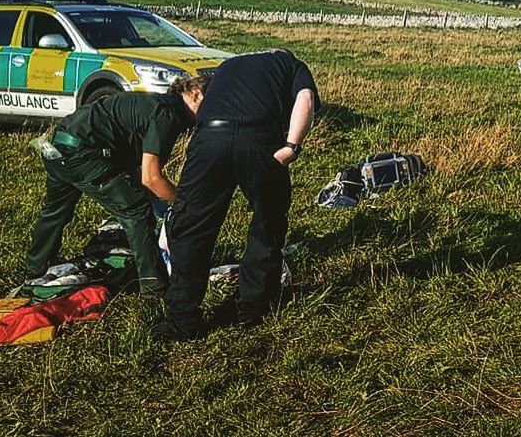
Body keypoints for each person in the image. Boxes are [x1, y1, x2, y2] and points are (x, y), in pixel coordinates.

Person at [155, 48, 316, 341]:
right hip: (259, 139)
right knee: (268, 220)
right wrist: (291, 147)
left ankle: (182, 320)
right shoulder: (291, 64)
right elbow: (305, 99)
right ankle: (253, 309)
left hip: (208, 139)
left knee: (192, 226)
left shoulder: (228, 64)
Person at [24, 75, 208, 296]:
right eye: (213, 104)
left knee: (55, 211)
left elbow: (138, 171)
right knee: (137, 212)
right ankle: (154, 287)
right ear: (196, 94)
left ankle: (35, 267)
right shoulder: (167, 115)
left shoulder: (153, 104)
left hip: (58, 146)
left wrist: (156, 199)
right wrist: (187, 202)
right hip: (82, 154)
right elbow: (151, 178)